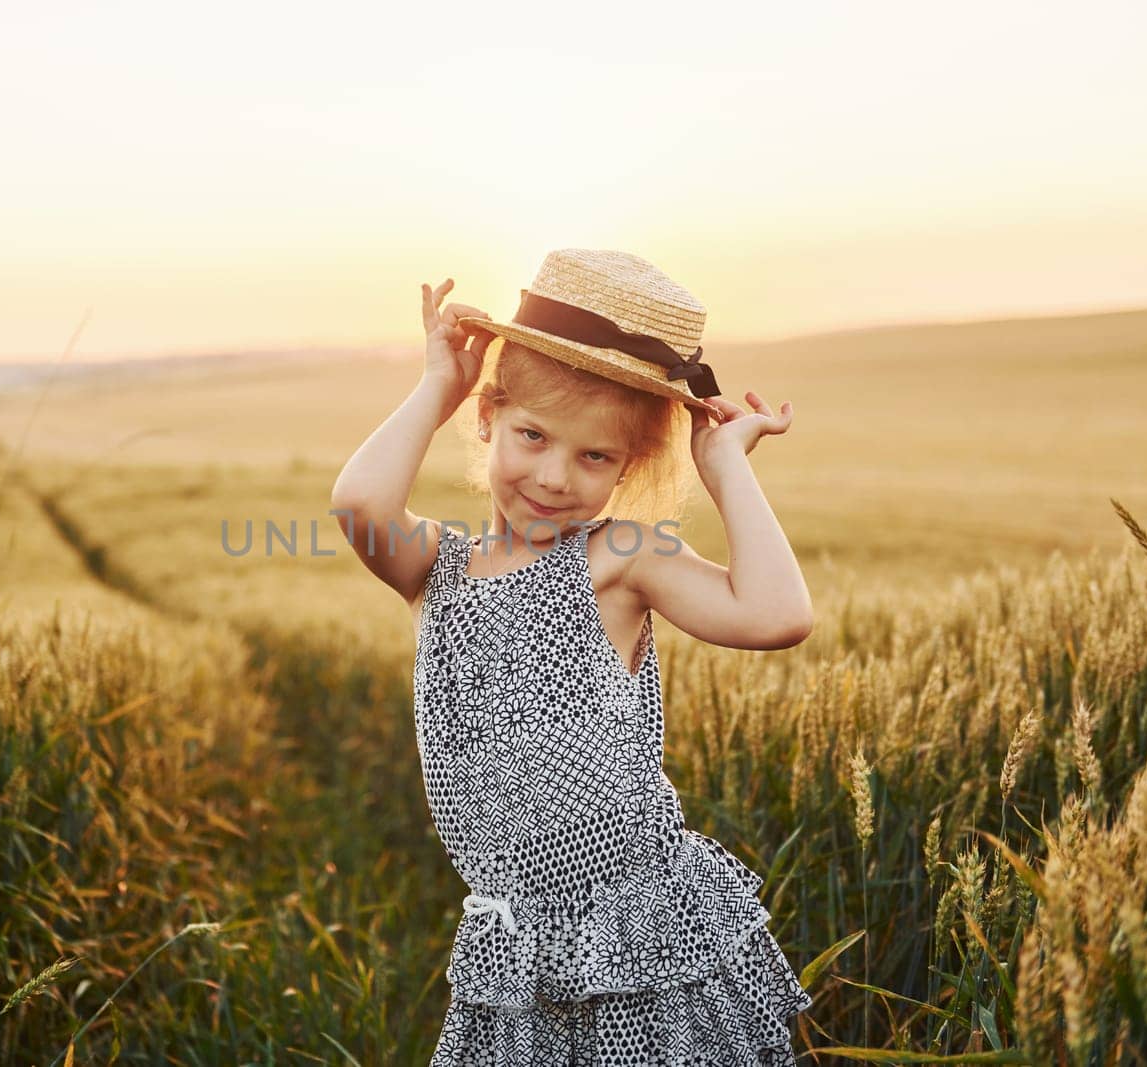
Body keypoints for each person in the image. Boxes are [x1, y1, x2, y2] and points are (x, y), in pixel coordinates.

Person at [330, 249, 814, 1065]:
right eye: (532, 436)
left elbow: (777, 614)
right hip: (515, 949)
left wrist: (726, 468)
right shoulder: (435, 568)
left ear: (629, 465)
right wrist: (435, 386)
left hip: (643, 935)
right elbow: (358, 504)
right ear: (487, 416)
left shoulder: (620, 558)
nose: (555, 477)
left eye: (596, 457)